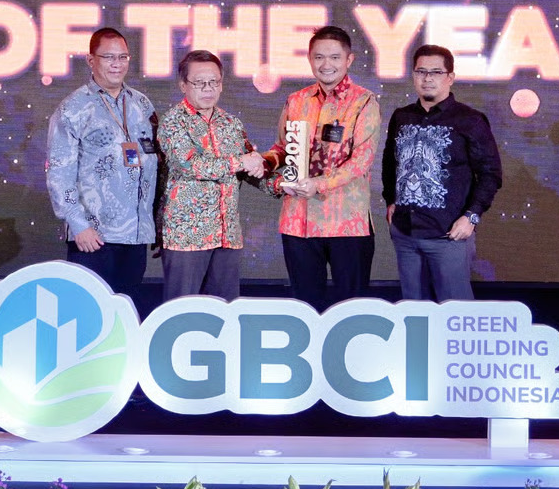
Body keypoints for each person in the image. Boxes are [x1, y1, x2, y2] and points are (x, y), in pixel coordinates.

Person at [262, 26, 381, 310]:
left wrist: (319, 184)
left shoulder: (364, 101)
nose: (326, 64)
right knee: (305, 306)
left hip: (346, 222)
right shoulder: (296, 100)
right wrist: (264, 162)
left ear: (349, 60)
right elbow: (283, 148)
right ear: (309, 59)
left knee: (351, 308)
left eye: (335, 57)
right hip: (298, 220)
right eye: (319, 57)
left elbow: (361, 161)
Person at [381, 45, 503, 301]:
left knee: (455, 310)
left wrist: (471, 216)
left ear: (450, 77)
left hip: (448, 234)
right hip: (405, 233)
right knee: (413, 310)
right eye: (421, 71)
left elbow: (490, 174)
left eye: (436, 72)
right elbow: (390, 163)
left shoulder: (470, 120)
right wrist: (391, 199)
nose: (427, 78)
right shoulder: (402, 116)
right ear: (413, 75)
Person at [46, 27, 158, 302]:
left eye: (123, 57)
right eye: (109, 57)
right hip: (94, 235)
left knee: (126, 310)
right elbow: (59, 172)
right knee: (89, 311)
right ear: (91, 60)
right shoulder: (73, 108)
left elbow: (155, 162)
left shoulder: (141, 104)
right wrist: (78, 224)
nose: (117, 64)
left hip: (136, 234)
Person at [156, 50, 264, 301]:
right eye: (199, 83)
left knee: (224, 311)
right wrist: (242, 162)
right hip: (187, 237)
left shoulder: (231, 124)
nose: (208, 89)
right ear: (183, 85)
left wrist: (284, 184)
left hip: (227, 236)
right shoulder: (173, 122)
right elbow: (191, 165)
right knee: (182, 311)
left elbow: (249, 168)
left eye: (214, 82)